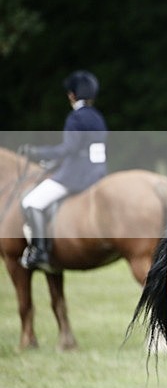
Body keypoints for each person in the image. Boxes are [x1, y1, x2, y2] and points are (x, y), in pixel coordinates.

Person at [20, 70, 108, 272]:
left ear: (72, 95)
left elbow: (69, 149)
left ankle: (39, 252)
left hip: (76, 176)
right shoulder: (97, 117)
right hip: (98, 173)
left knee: (31, 201)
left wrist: (36, 152)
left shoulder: (75, 117)